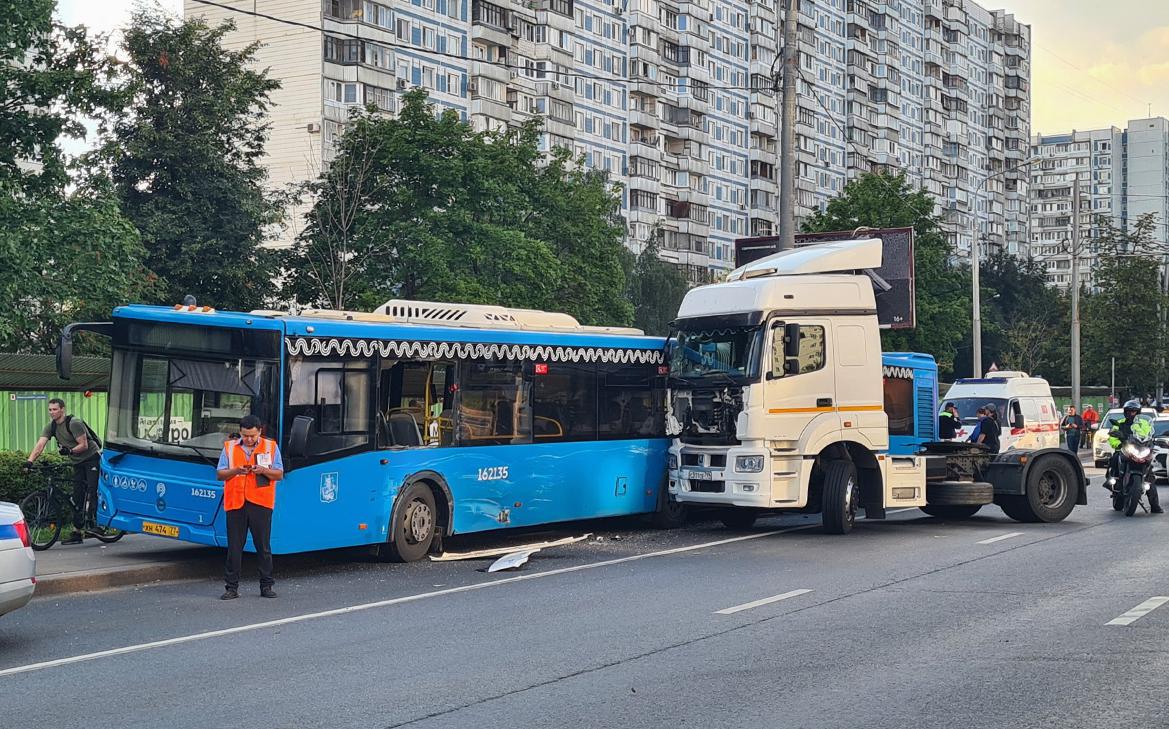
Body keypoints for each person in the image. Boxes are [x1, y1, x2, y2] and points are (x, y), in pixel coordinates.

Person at [216, 414, 285, 600]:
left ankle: (266, 585)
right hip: (236, 502)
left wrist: (263, 470)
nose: (248, 439)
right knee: (234, 547)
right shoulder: (229, 447)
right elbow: (220, 474)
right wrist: (236, 470)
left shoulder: (270, 446)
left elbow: (279, 474)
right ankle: (231, 588)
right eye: (245, 435)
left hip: (261, 502)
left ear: (259, 432)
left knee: (263, 547)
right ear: (240, 432)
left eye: (252, 436)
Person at [23, 398, 102, 545]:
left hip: (91, 458)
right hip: (77, 462)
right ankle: (77, 532)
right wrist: (29, 462)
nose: (52, 412)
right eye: (50, 410)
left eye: (55, 409)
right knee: (77, 495)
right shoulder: (51, 427)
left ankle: (97, 524)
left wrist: (69, 450)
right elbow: (40, 445)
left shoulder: (74, 423)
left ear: (62, 410)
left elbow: (84, 445)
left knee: (92, 490)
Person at [1107, 399, 1162, 513]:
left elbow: (1148, 435)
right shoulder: (1120, 423)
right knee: (1115, 458)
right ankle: (1114, 480)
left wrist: (1152, 442)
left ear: (1138, 412)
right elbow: (1112, 437)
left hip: (1140, 449)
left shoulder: (1144, 423)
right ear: (1125, 412)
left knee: (1150, 475)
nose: (1131, 414)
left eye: (1134, 412)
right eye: (1129, 411)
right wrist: (1118, 442)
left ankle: (1155, 505)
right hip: (1125, 448)